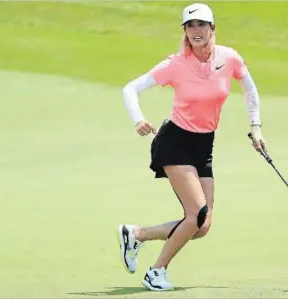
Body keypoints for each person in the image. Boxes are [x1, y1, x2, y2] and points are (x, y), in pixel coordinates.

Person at [118, 2, 267, 291]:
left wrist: (256, 127)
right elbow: (130, 89)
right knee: (196, 212)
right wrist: (138, 120)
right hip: (175, 142)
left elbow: (250, 89)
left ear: (213, 28)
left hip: (203, 145)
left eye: (201, 25)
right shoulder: (175, 64)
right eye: (190, 26)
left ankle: (136, 234)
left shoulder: (230, 58)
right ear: (185, 32)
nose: (195, 31)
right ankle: (156, 271)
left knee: (202, 225)